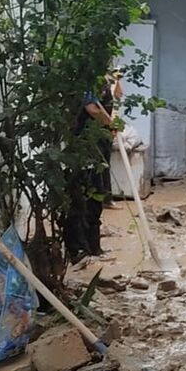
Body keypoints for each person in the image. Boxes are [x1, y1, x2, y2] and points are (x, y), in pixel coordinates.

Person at [65, 75, 119, 263]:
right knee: (85, 197)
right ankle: (80, 249)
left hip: (99, 145)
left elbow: (110, 101)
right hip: (86, 145)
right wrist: (110, 123)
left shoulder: (102, 79)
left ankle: (94, 248)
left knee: (97, 195)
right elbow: (92, 108)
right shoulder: (88, 78)